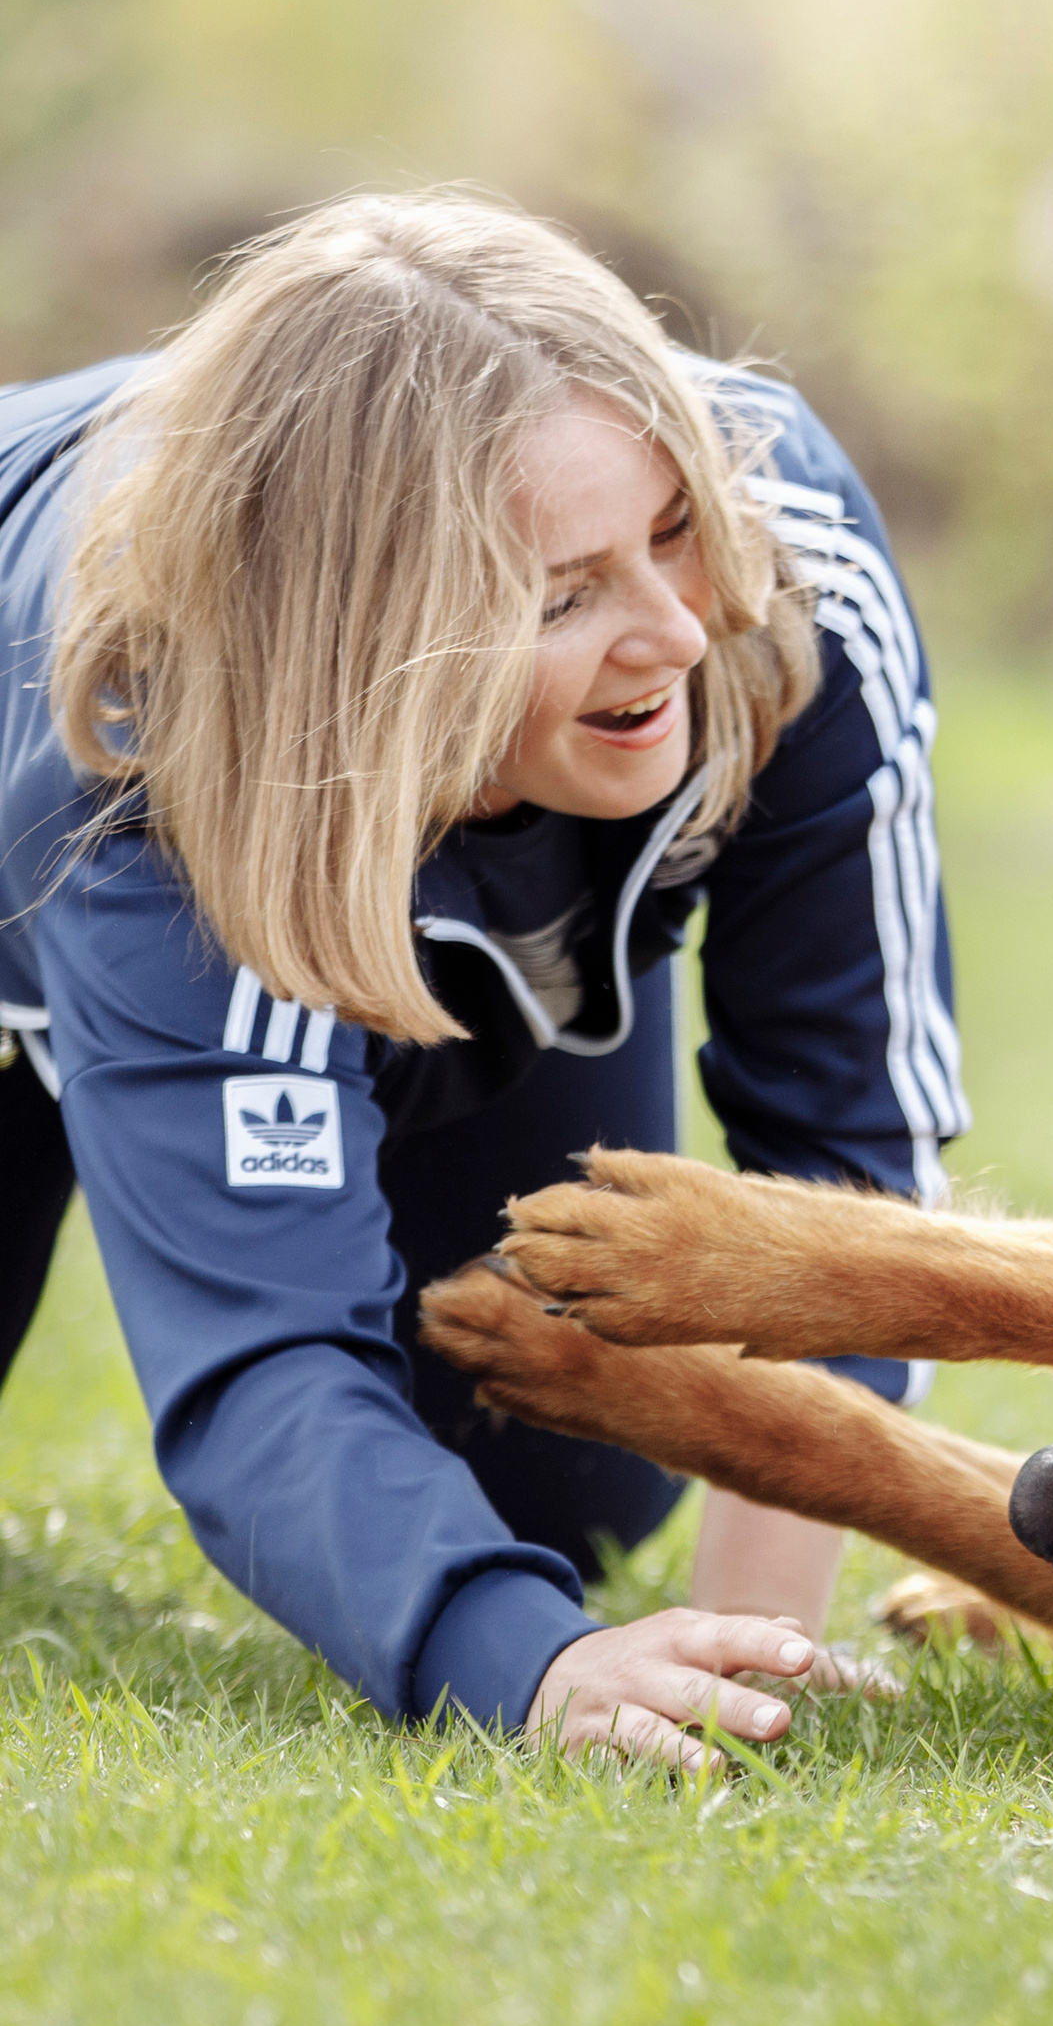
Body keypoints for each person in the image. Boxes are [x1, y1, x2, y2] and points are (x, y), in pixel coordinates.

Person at [0, 191, 968, 1769]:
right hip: (44, 830)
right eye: (563, 594)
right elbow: (266, 1353)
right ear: (375, 643)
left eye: (668, 530)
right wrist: (526, 1672)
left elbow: (844, 1150)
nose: (678, 626)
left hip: (418, 845)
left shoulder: (785, 558)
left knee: (560, 1489)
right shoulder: (158, 746)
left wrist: (751, 1651)